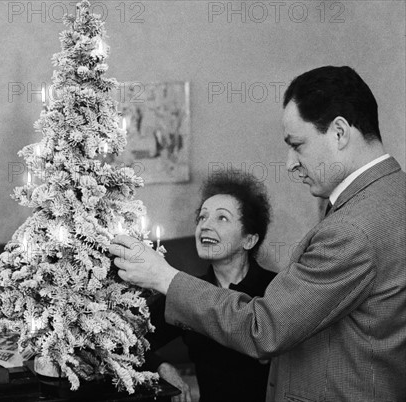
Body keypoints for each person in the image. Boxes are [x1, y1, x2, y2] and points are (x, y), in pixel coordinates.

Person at [110, 66, 406, 401]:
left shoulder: (351, 229)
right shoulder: (392, 195)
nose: (290, 163)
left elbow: (263, 329)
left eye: (297, 145)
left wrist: (162, 275)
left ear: (339, 132)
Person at [146, 170, 276, 402]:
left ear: (249, 239)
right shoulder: (186, 291)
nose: (205, 226)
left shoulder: (276, 289)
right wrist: (161, 366)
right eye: (202, 218)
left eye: (221, 218)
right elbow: (129, 343)